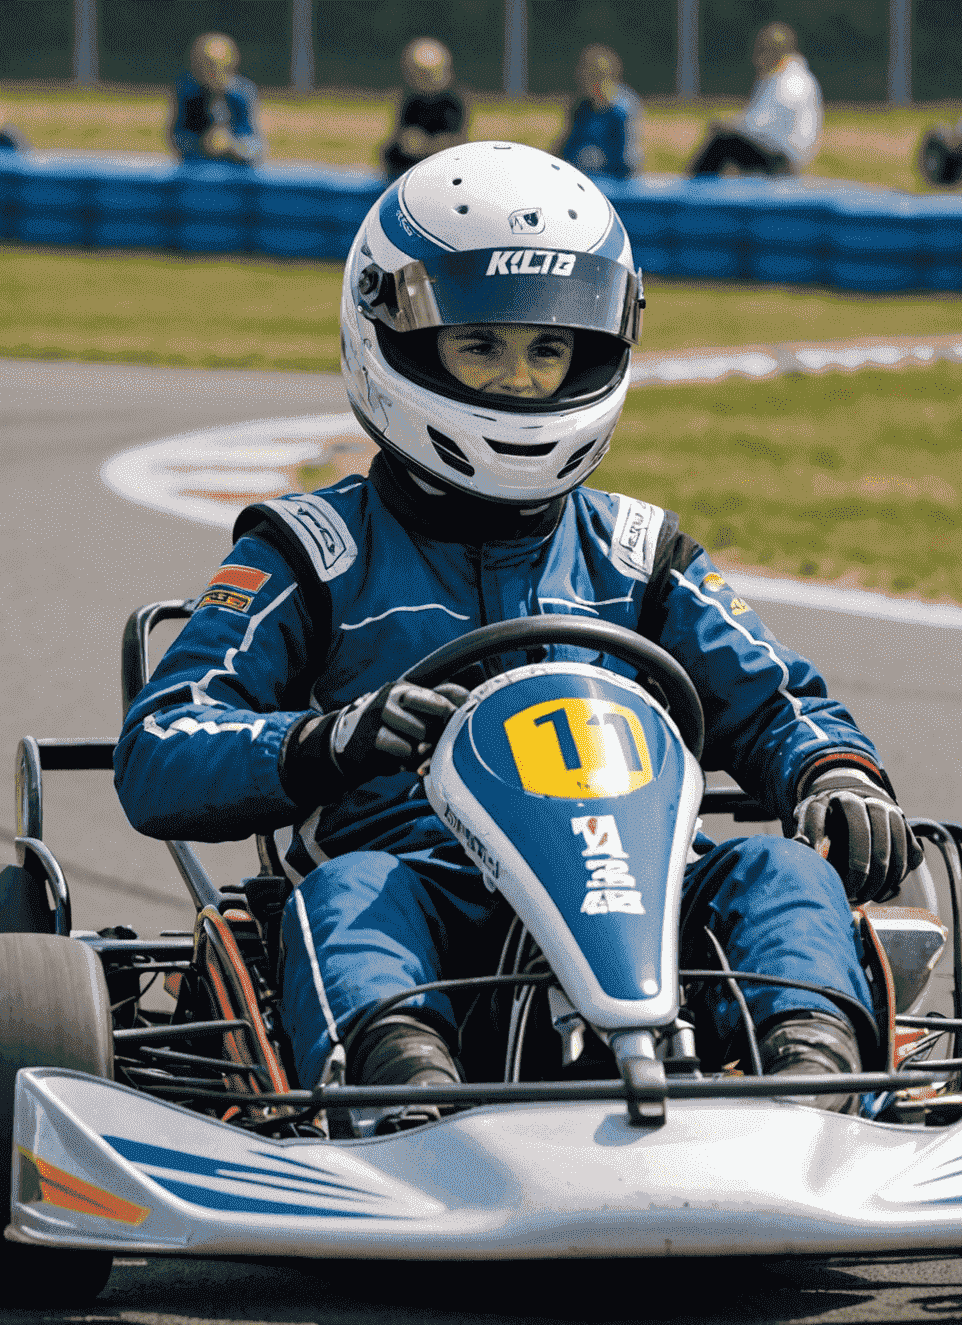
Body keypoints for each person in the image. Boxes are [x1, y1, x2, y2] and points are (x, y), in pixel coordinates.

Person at [114, 140, 921, 1130]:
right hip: (420, 886)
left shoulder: (635, 550)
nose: (518, 384)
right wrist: (327, 743)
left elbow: (775, 698)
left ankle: (812, 1080)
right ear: (396, 336)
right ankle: (403, 1093)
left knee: (779, 872)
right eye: (482, 348)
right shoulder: (314, 552)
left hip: (640, 883)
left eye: (548, 354)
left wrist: (832, 773)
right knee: (355, 892)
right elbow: (161, 748)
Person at [688, 22, 822, 178]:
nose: (758, 57)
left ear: (775, 52)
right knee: (727, 144)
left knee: (722, 144)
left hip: (783, 160)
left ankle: (690, 194)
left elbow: (761, 125)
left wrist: (729, 125)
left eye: (763, 50)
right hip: (778, 153)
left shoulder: (791, 81)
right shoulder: (782, 76)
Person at [170, 33, 265, 166]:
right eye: (207, 65)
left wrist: (232, 146)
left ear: (231, 63)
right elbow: (179, 136)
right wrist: (202, 145)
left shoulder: (242, 94)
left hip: (236, 171)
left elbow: (255, 145)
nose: (213, 72)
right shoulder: (189, 94)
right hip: (197, 168)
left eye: (219, 65)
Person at [382, 38, 467, 180]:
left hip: (439, 162)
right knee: (392, 153)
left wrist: (424, 145)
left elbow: (453, 142)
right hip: (411, 163)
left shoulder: (452, 101)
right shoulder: (412, 101)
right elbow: (402, 138)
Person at [555, 44, 642, 180]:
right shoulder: (581, 109)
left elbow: (626, 163)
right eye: (587, 76)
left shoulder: (621, 111)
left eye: (596, 76)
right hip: (583, 180)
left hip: (614, 183)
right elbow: (566, 150)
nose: (589, 82)